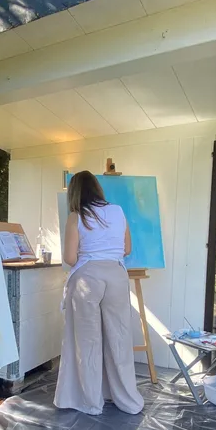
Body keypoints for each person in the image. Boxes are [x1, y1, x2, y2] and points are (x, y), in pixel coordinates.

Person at [54, 171, 145, 416]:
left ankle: (91, 401)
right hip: (116, 275)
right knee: (119, 338)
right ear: (97, 188)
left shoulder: (76, 216)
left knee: (86, 341)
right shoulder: (118, 211)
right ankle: (127, 400)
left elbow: (70, 258)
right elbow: (126, 248)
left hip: (87, 277)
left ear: (75, 192)